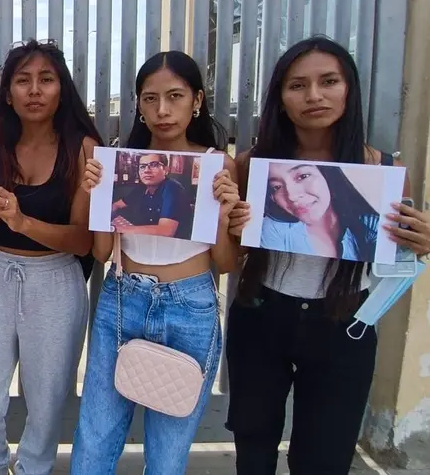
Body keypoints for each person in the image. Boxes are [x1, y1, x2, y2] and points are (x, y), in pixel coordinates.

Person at [224, 36, 430, 474]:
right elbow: (232, 253)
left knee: (324, 458)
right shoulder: (251, 166)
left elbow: (395, 261)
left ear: (349, 89)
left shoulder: (385, 172)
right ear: (280, 98)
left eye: (328, 81)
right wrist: (234, 228)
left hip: (344, 324)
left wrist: (419, 244)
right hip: (261, 313)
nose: (313, 96)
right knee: (253, 445)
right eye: (297, 85)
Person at [70, 51, 241, 474]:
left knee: (168, 452)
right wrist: (95, 195)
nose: (162, 110)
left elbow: (224, 263)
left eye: (175, 96)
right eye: (150, 99)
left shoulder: (218, 165)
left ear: (197, 100)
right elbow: (101, 252)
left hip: (190, 305)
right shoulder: (121, 162)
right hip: (122, 300)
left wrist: (222, 216)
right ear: (139, 105)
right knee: (95, 436)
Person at [0, 39, 101, 475]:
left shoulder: (84, 149)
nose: (34, 90)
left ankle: (33, 468)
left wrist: (24, 222)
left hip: (56, 281)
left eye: (46, 79)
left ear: (62, 89)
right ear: (9, 92)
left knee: (48, 398)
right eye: (23, 80)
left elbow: (83, 242)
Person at [260, 162, 379, 261]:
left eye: (303, 176)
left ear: (327, 175)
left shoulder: (369, 224)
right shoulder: (273, 229)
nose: (291, 196)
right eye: (277, 187)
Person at [110, 152, 194, 238]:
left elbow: (165, 231)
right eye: (142, 166)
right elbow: (117, 204)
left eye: (154, 165)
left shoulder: (173, 189)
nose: (146, 170)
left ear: (166, 170)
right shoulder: (141, 188)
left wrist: (114, 229)